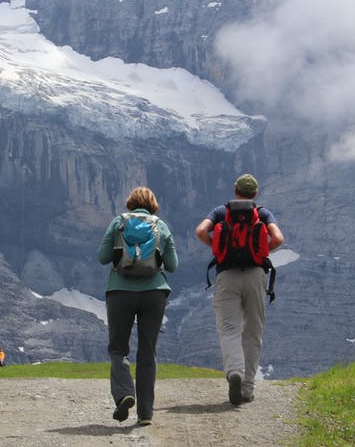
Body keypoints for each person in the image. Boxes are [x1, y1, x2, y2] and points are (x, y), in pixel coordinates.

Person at [194, 174, 285, 406]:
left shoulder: (220, 212)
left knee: (229, 329)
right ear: (255, 193)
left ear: (235, 190)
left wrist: (217, 249)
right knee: (253, 332)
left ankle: (235, 371)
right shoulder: (263, 213)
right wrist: (261, 252)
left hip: (227, 276)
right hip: (256, 276)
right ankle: (247, 388)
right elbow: (278, 238)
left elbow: (201, 231)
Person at [98, 186, 178, 426]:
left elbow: (102, 257)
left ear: (130, 203)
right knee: (147, 352)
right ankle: (145, 414)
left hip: (120, 291)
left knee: (118, 349)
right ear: (153, 205)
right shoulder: (161, 226)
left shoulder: (117, 223)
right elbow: (173, 265)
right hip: (154, 293)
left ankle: (124, 393)